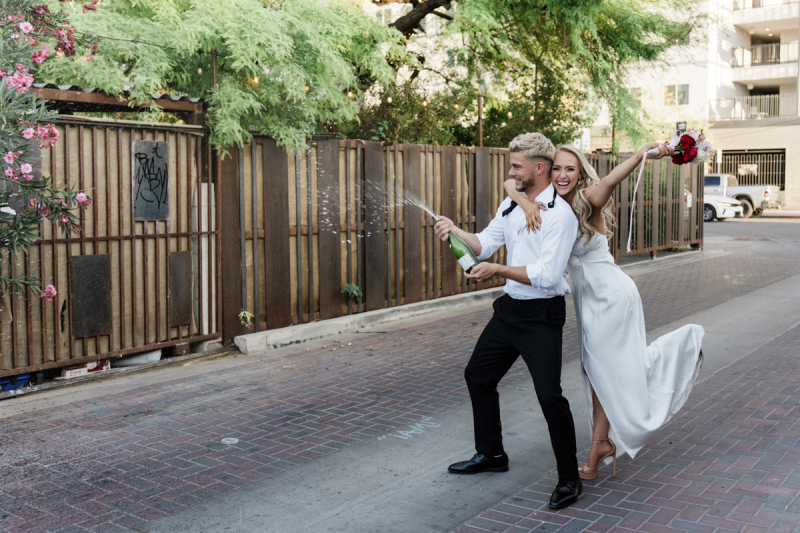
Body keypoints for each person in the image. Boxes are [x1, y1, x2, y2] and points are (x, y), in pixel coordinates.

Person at [503, 143, 704, 480]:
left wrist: (640, 156)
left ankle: (675, 351)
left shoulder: (587, 201)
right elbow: (510, 185)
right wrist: (525, 202)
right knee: (595, 370)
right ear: (547, 172)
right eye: (557, 169)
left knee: (603, 368)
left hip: (611, 296)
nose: (563, 175)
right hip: (589, 300)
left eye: (570, 169)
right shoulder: (549, 207)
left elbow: (611, 179)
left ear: (580, 173)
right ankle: (600, 444)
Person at [434, 132, 583, 510]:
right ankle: (491, 456)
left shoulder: (560, 216)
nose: (510, 171)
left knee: (550, 396)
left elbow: (548, 276)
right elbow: (483, 243)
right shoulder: (511, 203)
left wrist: (498, 269)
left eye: (516, 165)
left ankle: (569, 479)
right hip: (510, 310)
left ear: (538, 167)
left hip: (541, 316)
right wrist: (454, 231)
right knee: (478, 376)